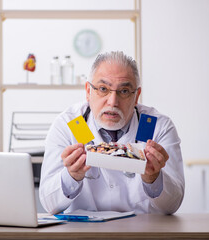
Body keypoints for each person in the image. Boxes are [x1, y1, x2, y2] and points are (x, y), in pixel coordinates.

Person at [39, 51, 185, 215]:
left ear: (136, 96)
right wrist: (71, 176)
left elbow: (173, 205)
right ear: (88, 91)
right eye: (103, 89)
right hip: (84, 233)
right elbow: (48, 202)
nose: (113, 102)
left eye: (123, 91)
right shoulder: (73, 125)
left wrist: (153, 178)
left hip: (143, 232)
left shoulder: (153, 126)